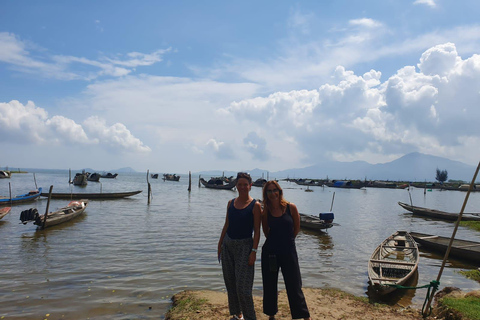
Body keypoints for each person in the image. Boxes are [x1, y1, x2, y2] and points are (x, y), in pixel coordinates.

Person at [261, 180, 311, 320]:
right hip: (270, 252)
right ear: (266, 194)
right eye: (269, 191)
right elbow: (266, 232)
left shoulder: (291, 207)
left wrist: (287, 241)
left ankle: (303, 315)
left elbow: (296, 228)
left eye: (274, 190)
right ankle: (271, 314)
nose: (272, 193)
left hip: (289, 250)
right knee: (270, 284)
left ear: (279, 191)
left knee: (294, 284)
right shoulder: (266, 212)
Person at [218, 172, 262, 320]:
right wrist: (220, 244)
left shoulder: (255, 205)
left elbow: (257, 231)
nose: (242, 187)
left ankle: (250, 317)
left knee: (243, 288)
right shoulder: (231, 203)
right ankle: (237, 315)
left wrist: (254, 251)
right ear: (236, 185)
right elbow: (227, 224)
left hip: (245, 247)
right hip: (228, 245)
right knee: (230, 284)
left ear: (250, 186)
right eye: (239, 184)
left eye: (245, 184)